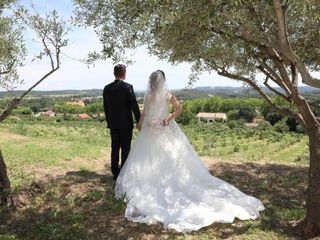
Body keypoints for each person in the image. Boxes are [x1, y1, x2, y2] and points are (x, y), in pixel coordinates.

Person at [115, 70, 264, 233]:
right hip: (164, 129)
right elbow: (180, 109)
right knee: (173, 158)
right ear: (162, 81)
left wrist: (140, 125)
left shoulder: (149, 95)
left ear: (151, 82)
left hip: (150, 130)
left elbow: (144, 114)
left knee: (149, 159)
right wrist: (167, 119)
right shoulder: (167, 94)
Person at [103, 63, 141, 180]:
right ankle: (124, 173)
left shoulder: (107, 88)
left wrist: (109, 121)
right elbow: (134, 105)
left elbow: (106, 107)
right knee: (125, 148)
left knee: (115, 147)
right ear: (124, 74)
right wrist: (139, 121)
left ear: (114, 74)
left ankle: (115, 172)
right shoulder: (128, 87)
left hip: (113, 123)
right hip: (126, 124)